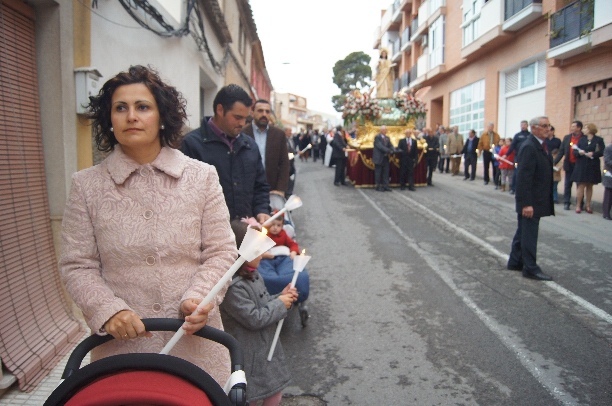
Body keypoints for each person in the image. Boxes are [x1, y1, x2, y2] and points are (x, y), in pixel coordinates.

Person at [59, 65, 237, 386]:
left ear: (162, 116)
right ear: (109, 120)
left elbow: (221, 252)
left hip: (195, 345)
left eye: (143, 107)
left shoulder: (201, 177)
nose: (131, 116)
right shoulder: (87, 185)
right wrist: (108, 311)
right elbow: (77, 265)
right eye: (120, 108)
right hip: (121, 351)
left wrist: (200, 297)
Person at [220, 219, 298, 406]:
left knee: (274, 394)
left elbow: (264, 302)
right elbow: (254, 318)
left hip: (264, 348)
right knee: (251, 397)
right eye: (257, 250)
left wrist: (282, 297)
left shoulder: (253, 274)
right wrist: (280, 304)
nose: (262, 255)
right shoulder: (233, 288)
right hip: (250, 354)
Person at [181, 84, 270, 224]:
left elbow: (260, 186)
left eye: (246, 119)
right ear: (220, 110)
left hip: (248, 234)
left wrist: (262, 210)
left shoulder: (250, 146)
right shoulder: (192, 145)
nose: (242, 123)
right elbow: (186, 198)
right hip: (209, 237)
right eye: (237, 117)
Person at [507, 116, 554, 281]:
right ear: (534, 128)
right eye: (544, 126)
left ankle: (515, 261)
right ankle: (530, 268)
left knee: (523, 231)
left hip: (537, 198)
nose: (548, 128)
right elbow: (523, 178)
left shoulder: (539, 145)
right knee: (529, 234)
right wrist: (526, 204)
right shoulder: (529, 146)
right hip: (531, 200)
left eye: (549, 125)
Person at [243, 99, 290, 197]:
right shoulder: (242, 133)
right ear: (252, 113)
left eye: (267, 111)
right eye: (260, 111)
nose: (264, 114)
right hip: (247, 190)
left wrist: (281, 189)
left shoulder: (279, 135)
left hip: (272, 190)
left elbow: (284, 163)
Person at [571, 123, 605, 214]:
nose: (584, 130)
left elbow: (602, 151)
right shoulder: (581, 140)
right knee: (581, 185)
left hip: (592, 165)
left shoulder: (599, 140)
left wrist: (593, 154)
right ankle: (578, 205)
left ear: (590, 129)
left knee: (590, 185)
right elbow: (575, 151)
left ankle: (588, 205)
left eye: (586, 128)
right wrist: (580, 153)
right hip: (582, 164)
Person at [553, 120, 584, 210]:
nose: (572, 128)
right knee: (567, 184)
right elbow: (561, 151)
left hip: (579, 165)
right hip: (569, 164)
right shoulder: (567, 138)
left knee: (580, 185)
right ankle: (567, 202)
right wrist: (555, 161)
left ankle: (580, 203)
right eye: (572, 126)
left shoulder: (583, 138)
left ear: (579, 128)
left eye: (574, 126)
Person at [502, 120, 530, 194]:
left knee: (527, 173)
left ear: (527, 126)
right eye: (522, 125)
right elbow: (512, 146)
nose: (523, 126)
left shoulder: (530, 135)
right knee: (516, 173)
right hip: (518, 157)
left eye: (524, 125)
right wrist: (506, 155)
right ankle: (513, 189)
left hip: (528, 158)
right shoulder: (517, 135)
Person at [545, 126, 562, 203]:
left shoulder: (557, 141)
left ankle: (555, 198)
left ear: (552, 131)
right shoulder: (544, 140)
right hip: (545, 161)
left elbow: (561, 151)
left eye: (549, 131)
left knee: (554, 183)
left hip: (555, 162)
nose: (547, 132)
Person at [373, 125, 393, 191]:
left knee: (386, 172)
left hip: (386, 158)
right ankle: (378, 186)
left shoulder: (387, 138)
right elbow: (380, 146)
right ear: (381, 130)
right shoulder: (377, 137)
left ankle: (386, 186)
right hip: (379, 158)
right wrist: (388, 150)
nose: (386, 131)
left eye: (386, 130)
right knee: (378, 172)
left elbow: (390, 145)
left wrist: (393, 149)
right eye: (384, 130)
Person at [284, 127, 297, 198]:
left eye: (291, 131)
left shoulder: (290, 139)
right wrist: (293, 154)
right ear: (285, 131)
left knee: (292, 177)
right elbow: (287, 153)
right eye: (289, 131)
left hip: (291, 163)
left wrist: (296, 152)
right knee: (288, 178)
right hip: (287, 163)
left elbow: (292, 150)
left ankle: (290, 191)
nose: (290, 132)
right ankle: (287, 193)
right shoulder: (284, 140)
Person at [602, 142, 612, 220]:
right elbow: (607, 161)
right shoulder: (609, 148)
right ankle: (606, 213)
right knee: (608, 194)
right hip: (609, 173)